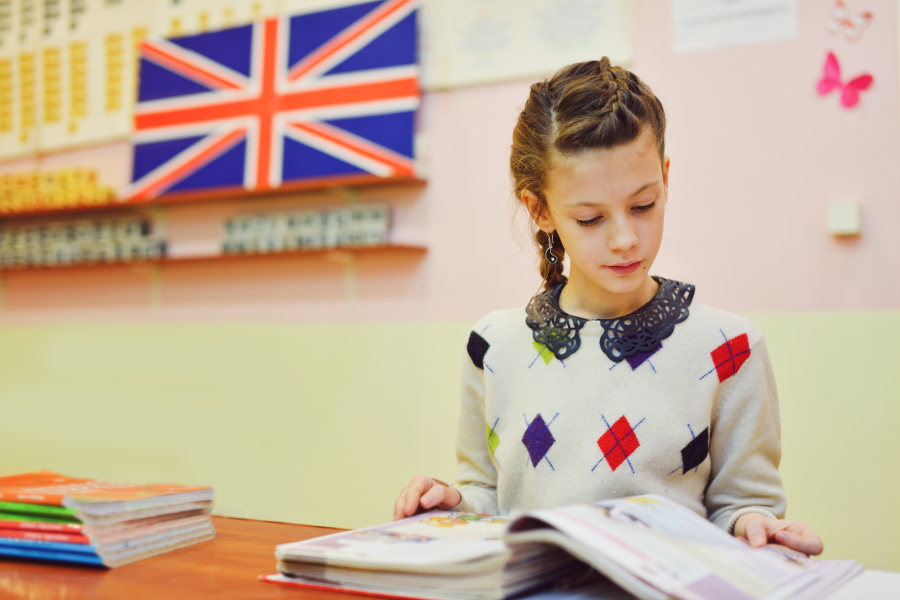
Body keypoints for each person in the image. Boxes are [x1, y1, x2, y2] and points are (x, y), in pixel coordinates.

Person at [393, 58, 823, 556]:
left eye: (644, 206)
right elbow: (489, 496)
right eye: (591, 218)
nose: (625, 239)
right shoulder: (492, 345)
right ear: (541, 210)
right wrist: (450, 504)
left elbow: (744, 504)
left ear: (665, 178)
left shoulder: (731, 348)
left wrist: (757, 525)